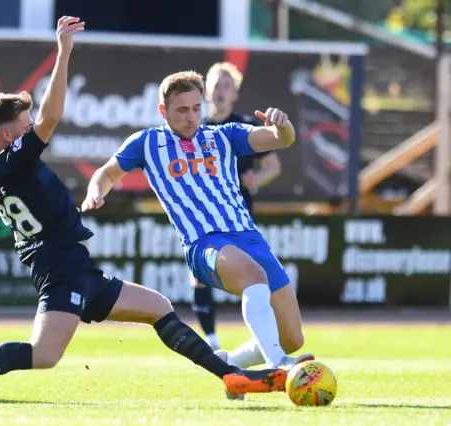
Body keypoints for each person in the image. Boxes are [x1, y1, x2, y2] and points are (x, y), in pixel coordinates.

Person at [0, 17, 288, 406]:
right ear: (10, 136)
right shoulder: (13, 160)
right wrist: (64, 51)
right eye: (25, 124)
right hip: (61, 271)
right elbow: (51, 116)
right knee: (43, 355)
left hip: (75, 267)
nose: (32, 126)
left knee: (158, 308)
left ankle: (233, 375)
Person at [82, 70, 314, 382]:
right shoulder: (147, 142)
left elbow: (279, 139)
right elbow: (106, 173)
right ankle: (278, 363)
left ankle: (229, 362)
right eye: (181, 110)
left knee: (292, 337)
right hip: (204, 244)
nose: (191, 117)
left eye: (195, 108)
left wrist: (282, 127)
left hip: (249, 238)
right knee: (254, 277)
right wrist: (95, 193)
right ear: (163, 111)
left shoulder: (223, 135)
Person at [190, 62, 283, 351]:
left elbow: (273, 166)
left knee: (251, 279)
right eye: (216, 85)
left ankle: (261, 338)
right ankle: (213, 341)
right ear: (206, 91)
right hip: (205, 217)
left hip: (239, 217)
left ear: (235, 93)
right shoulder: (195, 129)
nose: (220, 91)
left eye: (226, 86)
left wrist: (257, 177)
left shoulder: (244, 129)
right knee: (200, 279)